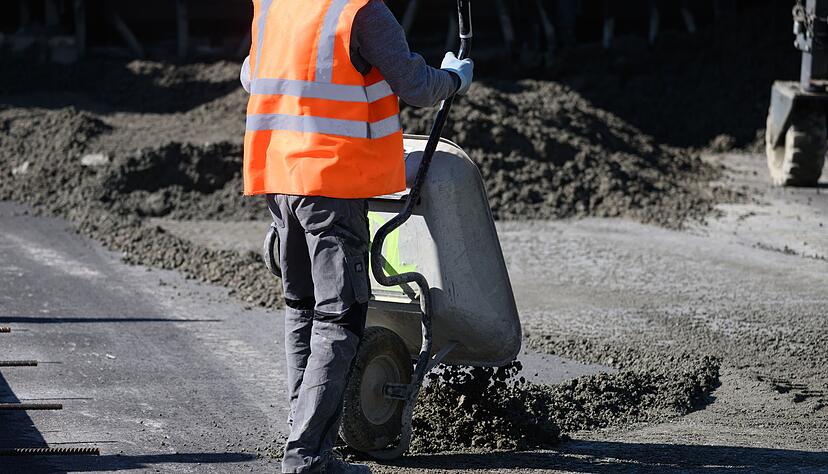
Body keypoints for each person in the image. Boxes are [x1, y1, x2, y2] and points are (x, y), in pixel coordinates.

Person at [240, 1, 473, 472]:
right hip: (330, 182)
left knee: (302, 308)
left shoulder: (274, 6)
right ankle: (307, 456)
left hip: (279, 176)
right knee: (339, 320)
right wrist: (455, 78)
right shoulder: (360, 11)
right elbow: (416, 86)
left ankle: (302, 430)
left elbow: (252, 74)